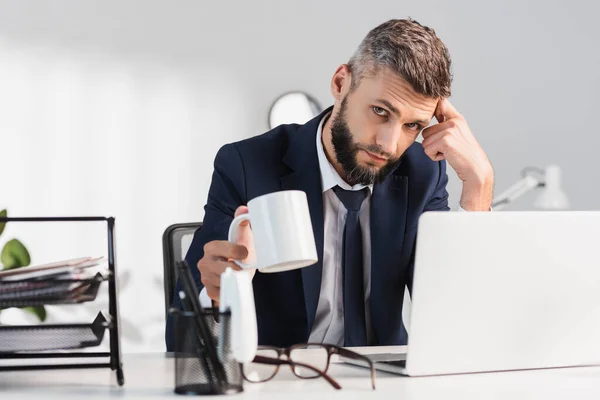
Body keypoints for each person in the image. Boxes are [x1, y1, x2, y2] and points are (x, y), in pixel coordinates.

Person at [166, 18, 493, 350]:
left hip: (383, 381)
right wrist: (216, 296)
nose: (389, 144)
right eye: (380, 111)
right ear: (340, 84)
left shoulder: (423, 174)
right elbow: (181, 342)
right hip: (281, 379)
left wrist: (479, 187)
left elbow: (459, 319)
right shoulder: (248, 165)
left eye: (412, 125)